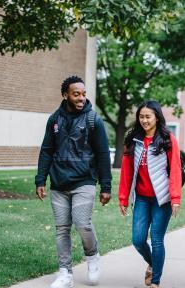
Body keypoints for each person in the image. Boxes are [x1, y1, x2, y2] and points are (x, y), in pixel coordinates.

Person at [35, 75, 112, 288]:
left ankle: (92, 256)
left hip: (84, 181)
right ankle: (65, 273)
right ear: (65, 95)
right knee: (62, 228)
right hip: (58, 183)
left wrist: (106, 186)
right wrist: (40, 179)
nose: (81, 98)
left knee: (82, 223)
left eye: (83, 94)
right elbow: (47, 151)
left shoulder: (93, 120)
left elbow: (103, 154)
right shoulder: (54, 120)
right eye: (76, 94)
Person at [118, 100, 182, 288]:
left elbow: (176, 170)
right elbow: (126, 171)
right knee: (138, 240)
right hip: (142, 198)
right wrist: (123, 198)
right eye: (141, 116)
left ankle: (155, 281)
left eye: (148, 116)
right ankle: (154, 264)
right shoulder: (133, 139)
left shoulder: (167, 138)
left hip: (162, 199)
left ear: (157, 117)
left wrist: (175, 198)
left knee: (156, 239)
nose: (144, 120)